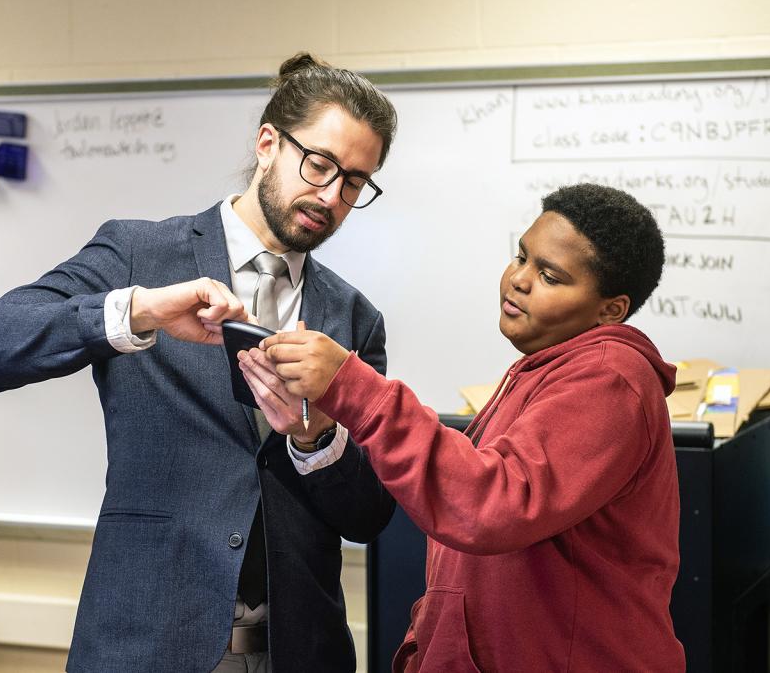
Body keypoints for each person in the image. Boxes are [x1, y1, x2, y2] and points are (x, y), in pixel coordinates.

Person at [0, 52, 398, 673]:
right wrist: (137, 312)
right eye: (319, 164)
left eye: (354, 182)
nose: (330, 195)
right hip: (145, 644)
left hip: (299, 652)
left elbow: (370, 514)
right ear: (267, 142)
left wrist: (315, 437)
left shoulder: (353, 318)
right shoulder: (140, 257)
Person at [242, 183, 687, 672]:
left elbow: (488, 505)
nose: (518, 280)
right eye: (521, 257)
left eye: (551, 276)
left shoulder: (610, 378)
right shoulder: (543, 370)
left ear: (611, 310)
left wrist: (354, 387)